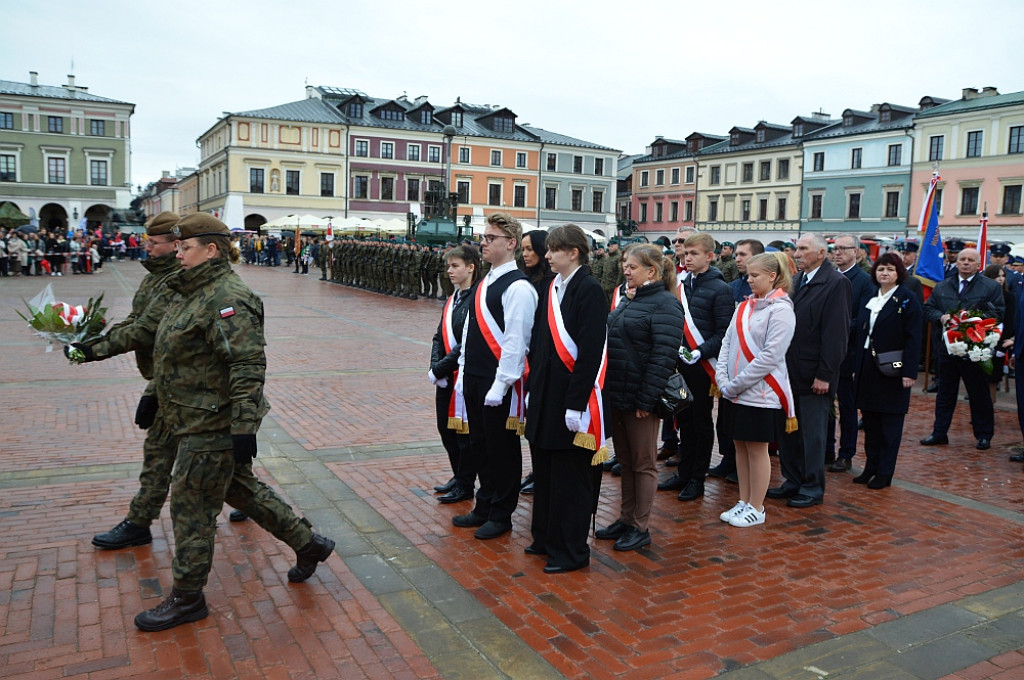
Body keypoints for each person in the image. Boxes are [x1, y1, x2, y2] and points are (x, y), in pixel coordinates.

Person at [71, 213, 335, 631]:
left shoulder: (227, 297)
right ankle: (310, 543)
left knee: (191, 508)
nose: (177, 252)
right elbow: (157, 341)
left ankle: (188, 597)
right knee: (241, 491)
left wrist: (244, 426)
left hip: (213, 422)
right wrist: (96, 355)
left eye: (184, 246)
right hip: (185, 414)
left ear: (210, 249)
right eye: (174, 246)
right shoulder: (185, 289)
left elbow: (247, 363)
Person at [88, 212, 187, 550]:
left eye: (153, 242)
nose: (146, 247)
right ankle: (251, 500)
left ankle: (138, 522)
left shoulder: (179, 279)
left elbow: (146, 331)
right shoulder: (153, 279)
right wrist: (92, 338)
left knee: (160, 454)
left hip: (182, 386)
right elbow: (136, 320)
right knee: (216, 458)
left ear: (176, 245)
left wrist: (92, 351)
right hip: (166, 381)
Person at [524, 224, 608, 573]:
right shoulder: (551, 286)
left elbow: (589, 354)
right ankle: (545, 538)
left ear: (573, 252)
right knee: (545, 474)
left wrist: (575, 404)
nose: (546, 256)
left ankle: (570, 551)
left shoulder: (588, 290)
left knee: (569, 482)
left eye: (553, 250)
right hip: (545, 398)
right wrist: (532, 393)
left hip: (571, 402)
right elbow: (541, 344)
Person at [452, 213, 538, 540]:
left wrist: (501, 384)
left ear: (511, 243)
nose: (483, 243)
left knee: (501, 449)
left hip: (498, 383)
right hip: (474, 376)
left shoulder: (518, 287)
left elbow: (516, 341)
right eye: (483, 237)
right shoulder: (486, 280)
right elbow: (471, 330)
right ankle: (484, 504)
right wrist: (462, 373)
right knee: (479, 446)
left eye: (491, 238)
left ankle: (502, 513)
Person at [597, 244, 683, 552]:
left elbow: (663, 357)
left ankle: (640, 525)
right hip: (619, 394)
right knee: (627, 461)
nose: (626, 270)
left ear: (652, 271)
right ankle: (625, 517)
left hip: (641, 400)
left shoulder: (666, 305)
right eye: (625, 265)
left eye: (632, 266)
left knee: (644, 463)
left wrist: (647, 401)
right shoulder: (629, 299)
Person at [767, 233, 851, 509]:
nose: (797, 253)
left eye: (803, 249)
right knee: (788, 431)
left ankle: (812, 486)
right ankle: (792, 480)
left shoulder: (836, 283)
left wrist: (825, 375)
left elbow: (836, 334)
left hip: (815, 375)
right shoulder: (798, 281)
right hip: (789, 371)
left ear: (821, 253)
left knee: (812, 435)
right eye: (796, 248)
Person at [716, 252, 796, 526]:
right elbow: (727, 343)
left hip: (760, 393)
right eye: (748, 275)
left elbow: (770, 357)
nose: (748, 280)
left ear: (772, 276)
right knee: (739, 445)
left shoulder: (782, 310)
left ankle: (757, 506)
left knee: (757, 449)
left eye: (755, 275)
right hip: (733, 391)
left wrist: (734, 383)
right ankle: (744, 499)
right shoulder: (744, 307)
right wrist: (721, 377)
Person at [658, 233, 733, 502]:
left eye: (694, 253)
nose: (687, 258)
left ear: (709, 256)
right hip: (681, 365)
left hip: (703, 366)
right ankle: (684, 470)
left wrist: (699, 351)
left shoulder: (720, 288)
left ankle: (697, 479)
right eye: (685, 253)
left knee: (701, 423)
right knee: (684, 421)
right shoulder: (681, 284)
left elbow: (723, 331)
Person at [920, 248, 1004, 450]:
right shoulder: (943, 286)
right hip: (947, 349)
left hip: (974, 349)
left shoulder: (990, 286)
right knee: (945, 394)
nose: (966, 263)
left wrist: (973, 320)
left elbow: (998, 313)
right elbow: (928, 308)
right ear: (956, 262)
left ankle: (984, 435)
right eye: (962, 259)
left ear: (978, 264)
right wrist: (941, 317)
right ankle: (939, 432)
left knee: (979, 394)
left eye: (970, 260)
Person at [853, 252, 922, 488]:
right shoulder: (871, 296)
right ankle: (870, 466)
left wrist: (909, 372)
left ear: (898, 273)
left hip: (893, 368)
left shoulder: (907, 299)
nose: (885, 273)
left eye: (890, 269)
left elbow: (914, 339)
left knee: (889, 426)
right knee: (870, 422)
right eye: (881, 269)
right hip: (867, 365)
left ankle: (885, 472)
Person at [429, 245, 481, 503]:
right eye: (449, 266)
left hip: (463, 377)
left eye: (455, 266)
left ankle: (466, 482)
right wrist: (434, 365)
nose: (449, 271)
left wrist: (442, 366)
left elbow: (468, 341)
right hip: (446, 377)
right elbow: (439, 335)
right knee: (445, 428)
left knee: (464, 434)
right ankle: (457, 474)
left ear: (470, 267)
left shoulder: (476, 299)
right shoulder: (452, 299)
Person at [828, 235, 876, 473]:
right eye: (834, 248)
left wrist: (835, 325)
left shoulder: (865, 281)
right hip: (824, 352)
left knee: (847, 406)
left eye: (842, 248)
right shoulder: (828, 276)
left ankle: (846, 453)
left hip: (848, 352)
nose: (837, 252)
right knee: (825, 403)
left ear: (856, 252)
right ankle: (827, 448)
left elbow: (864, 319)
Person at [519, 229, 555, 495]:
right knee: (530, 420)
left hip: (542, 360)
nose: (526, 254)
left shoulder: (550, 283)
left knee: (541, 420)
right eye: (523, 249)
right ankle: (536, 471)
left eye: (530, 249)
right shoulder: (525, 279)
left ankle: (543, 474)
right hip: (527, 356)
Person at [982, 264, 1016, 403]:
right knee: (978, 378)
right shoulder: (982, 295)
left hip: (998, 341)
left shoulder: (1009, 297)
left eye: (1003, 276)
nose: (1001, 279)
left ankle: (989, 410)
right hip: (980, 339)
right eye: (997, 276)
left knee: (992, 379)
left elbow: (1009, 322)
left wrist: (1001, 344)